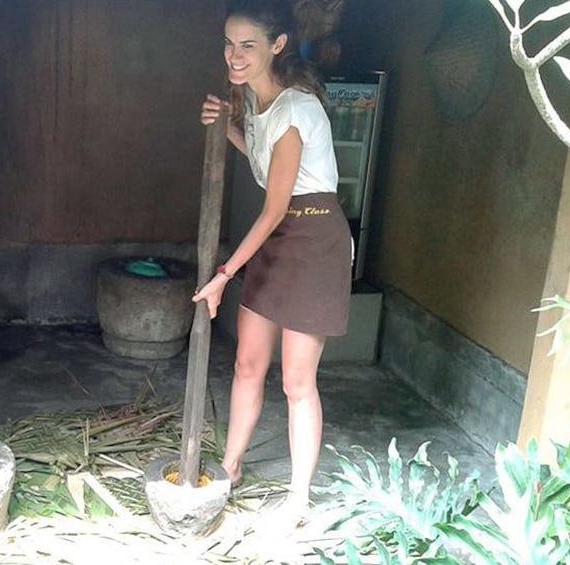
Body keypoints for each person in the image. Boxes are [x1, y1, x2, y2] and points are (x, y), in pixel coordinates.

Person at [193, 0, 351, 526]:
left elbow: (275, 205)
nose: (234, 56)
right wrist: (227, 129)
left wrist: (223, 275)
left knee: (297, 381)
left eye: (248, 45)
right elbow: (266, 167)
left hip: (313, 240)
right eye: (229, 44)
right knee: (247, 363)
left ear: (277, 46)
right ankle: (231, 467)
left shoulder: (297, 108)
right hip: (280, 235)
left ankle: (300, 498)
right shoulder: (258, 106)